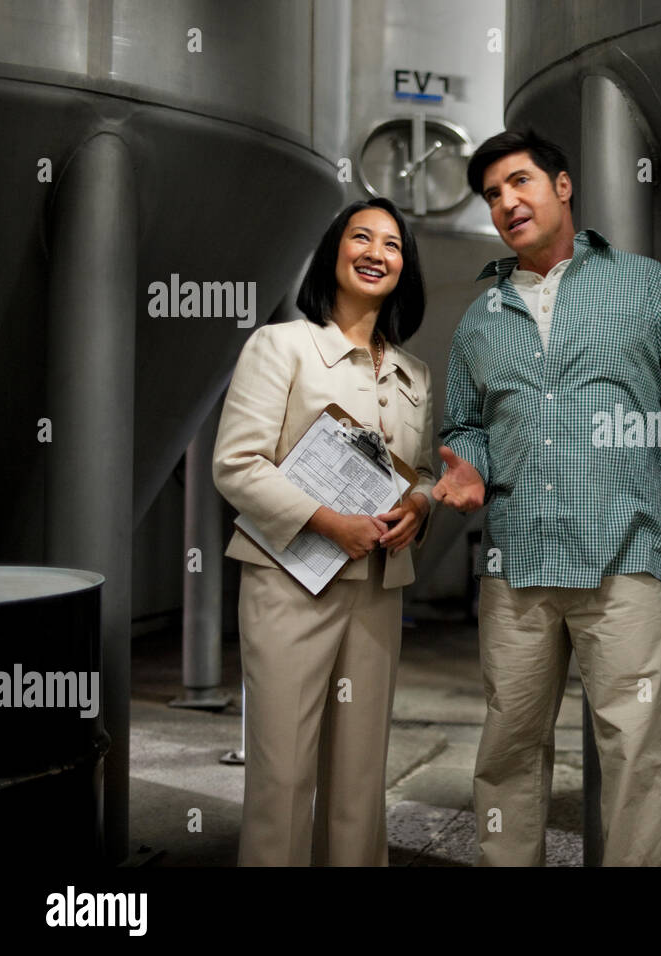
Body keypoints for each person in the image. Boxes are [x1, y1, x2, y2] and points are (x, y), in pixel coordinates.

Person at [433, 128, 661, 866]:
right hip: (515, 564)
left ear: (562, 187)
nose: (508, 202)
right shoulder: (480, 319)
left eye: (520, 183)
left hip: (622, 554)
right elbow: (464, 424)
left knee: (634, 752)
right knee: (507, 750)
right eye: (494, 194)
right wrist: (466, 465)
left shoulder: (646, 285)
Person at [212, 197, 436, 866]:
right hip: (290, 580)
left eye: (392, 245)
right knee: (283, 773)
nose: (376, 253)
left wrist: (421, 507)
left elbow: (420, 473)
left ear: (405, 267)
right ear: (333, 254)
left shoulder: (415, 374)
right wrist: (328, 521)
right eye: (361, 238)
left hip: (376, 587)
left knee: (361, 779)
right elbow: (236, 464)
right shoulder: (281, 345)